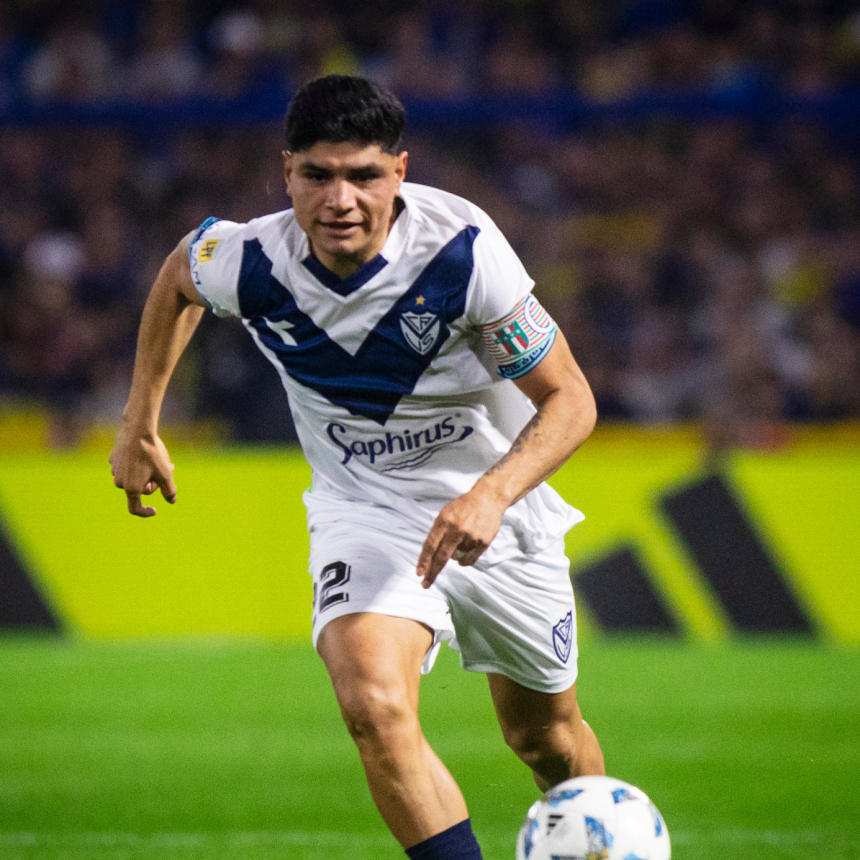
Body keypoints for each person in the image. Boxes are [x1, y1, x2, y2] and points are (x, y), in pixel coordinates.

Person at [110, 75, 604, 860]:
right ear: (287, 173)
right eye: (318, 175)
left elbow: (571, 400)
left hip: (498, 510)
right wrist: (139, 422)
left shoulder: (463, 253)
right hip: (365, 509)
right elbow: (178, 277)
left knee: (544, 738)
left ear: (399, 172)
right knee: (373, 706)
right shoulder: (252, 259)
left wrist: (492, 494)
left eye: (364, 176)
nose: (340, 199)